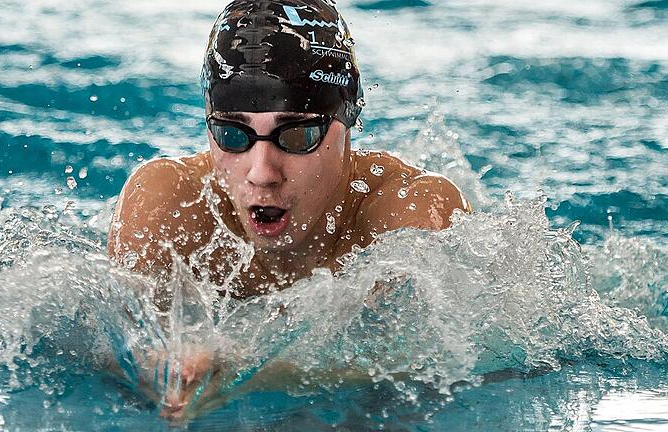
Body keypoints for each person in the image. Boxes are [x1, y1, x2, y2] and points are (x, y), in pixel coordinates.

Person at [107, 0, 471, 420]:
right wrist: (153, 367)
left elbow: (432, 360)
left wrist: (238, 369)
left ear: (347, 119)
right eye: (232, 134)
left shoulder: (411, 212)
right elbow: (107, 343)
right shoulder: (169, 203)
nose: (262, 173)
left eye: (297, 136)